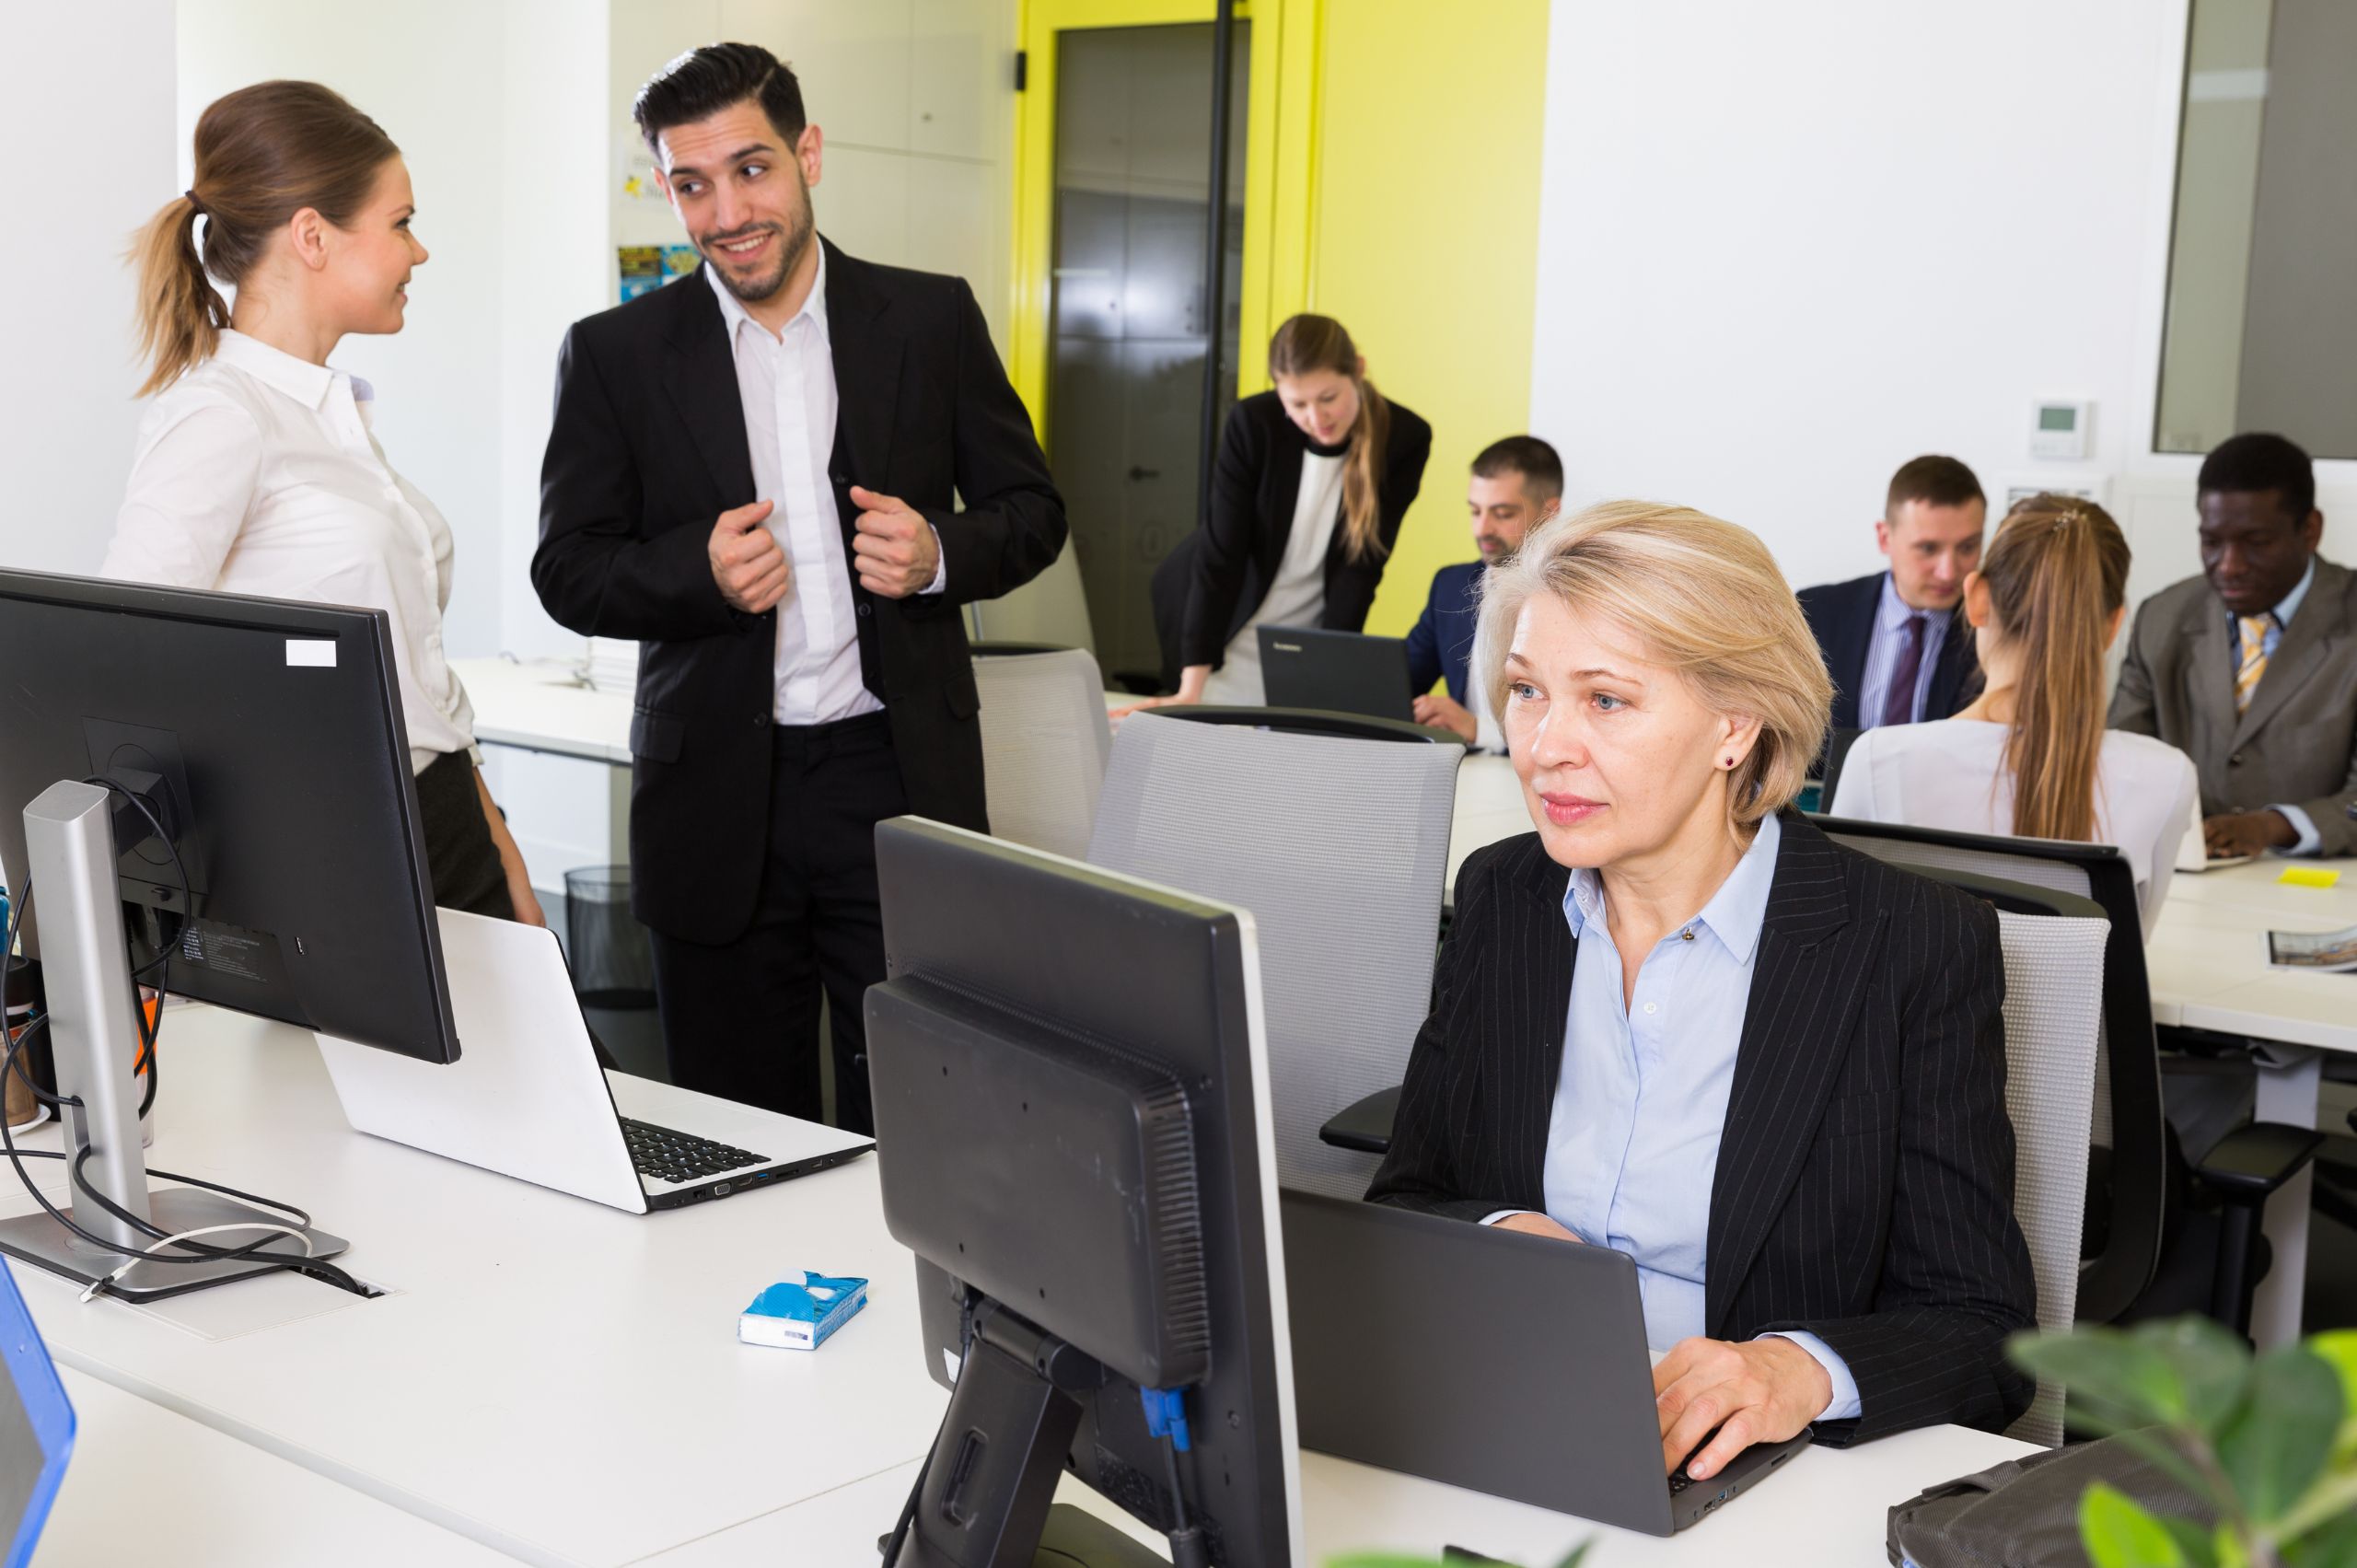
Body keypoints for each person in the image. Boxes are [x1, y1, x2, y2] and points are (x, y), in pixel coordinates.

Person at [1369, 501, 2036, 1479]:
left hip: (1762, 1469)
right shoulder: (1504, 896)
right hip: (1518, 1416)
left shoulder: (1909, 946)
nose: (1543, 744)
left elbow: (1982, 1326)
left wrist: (1794, 1369)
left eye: (1605, 700)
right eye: (1525, 690)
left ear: (1734, 724)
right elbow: (1407, 1197)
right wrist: (1500, 1236)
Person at [532, 45, 1065, 1133]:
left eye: (752, 169)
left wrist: (938, 555)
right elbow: (567, 566)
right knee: (735, 1129)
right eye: (691, 184)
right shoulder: (613, 355)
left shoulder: (930, 319)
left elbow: (1033, 511)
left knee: (929, 1120)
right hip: (716, 800)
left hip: (898, 780)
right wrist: (696, 571)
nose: (726, 211)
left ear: (807, 153)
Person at [104, 81, 540, 927]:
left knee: (559, 1059)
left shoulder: (330, 416)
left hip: (447, 819)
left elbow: (424, 691)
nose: (418, 252)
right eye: (401, 222)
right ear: (312, 235)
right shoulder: (220, 415)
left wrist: (503, 853)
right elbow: (128, 662)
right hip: (336, 844)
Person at [1832, 497, 2198, 935]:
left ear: (1977, 598)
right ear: (2113, 625)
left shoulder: (1878, 760)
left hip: (1920, 1006)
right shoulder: (2168, 775)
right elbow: (2125, 960)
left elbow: (1842, 941)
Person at [1125, 315, 1431, 712]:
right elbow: (1222, 557)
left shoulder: (1404, 437)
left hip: (1302, 633)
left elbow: (1361, 569)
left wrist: (1328, 676)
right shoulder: (1254, 424)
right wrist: (1189, 687)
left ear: (1358, 370)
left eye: (1328, 398)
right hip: (1221, 623)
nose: (1316, 419)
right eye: (1297, 404)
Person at [2111, 433, 2357, 860]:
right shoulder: (2162, 619)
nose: (2229, 566)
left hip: (2324, 889)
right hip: (2186, 880)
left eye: (2256, 543)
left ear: (2310, 530)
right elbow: (2121, 766)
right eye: (2211, 542)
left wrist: (2272, 826)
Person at [1797, 456, 1987, 734]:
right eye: (1928, 549)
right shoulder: (1816, 614)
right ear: (1885, 538)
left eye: (1968, 547)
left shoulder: (1997, 630)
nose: (1948, 572)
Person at [1403, 435, 1562, 749]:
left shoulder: (1572, 596)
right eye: (1476, 512)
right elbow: (1398, 682)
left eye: (1502, 514)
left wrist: (1478, 730)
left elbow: (1575, 716)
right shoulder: (1449, 587)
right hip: (1463, 775)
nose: (1482, 529)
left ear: (1549, 512)